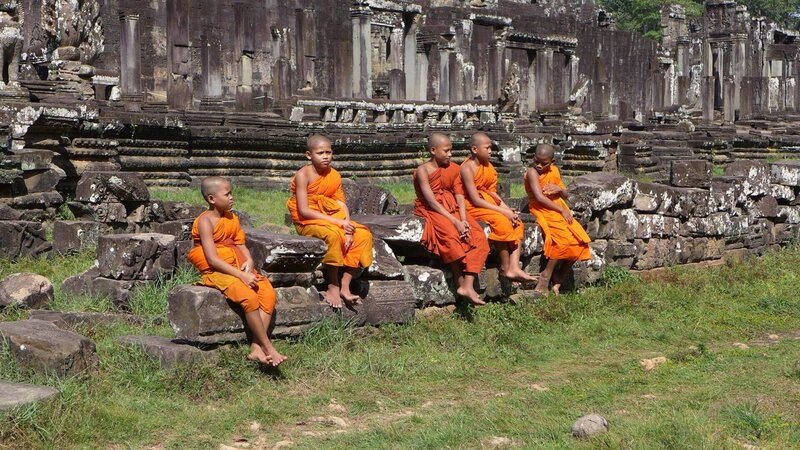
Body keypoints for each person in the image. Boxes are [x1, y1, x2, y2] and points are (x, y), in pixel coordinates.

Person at [187, 176, 287, 366]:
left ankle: (256, 348)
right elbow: (212, 259)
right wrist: (241, 275)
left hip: (238, 265)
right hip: (218, 271)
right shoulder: (205, 222)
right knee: (248, 297)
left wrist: (248, 260)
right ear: (211, 199)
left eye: (231, 193)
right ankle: (268, 346)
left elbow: (240, 244)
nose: (232, 197)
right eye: (227, 194)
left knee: (268, 294)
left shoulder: (232, 217)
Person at [287, 135, 373, 308]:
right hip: (308, 222)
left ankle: (345, 285)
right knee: (334, 236)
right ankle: (333, 284)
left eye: (328, 152)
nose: (325, 156)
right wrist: (338, 224)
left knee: (363, 234)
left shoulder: (333, 175)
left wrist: (347, 225)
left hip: (332, 218)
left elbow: (341, 203)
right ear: (309, 155)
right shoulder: (303, 175)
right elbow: (304, 210)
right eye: (320, 153)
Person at [414, 133, 490, 305]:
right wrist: (454, 222)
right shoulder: (423, 171)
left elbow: (460, 196)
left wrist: (463, 220)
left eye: (451, 151)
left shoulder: (454, 168)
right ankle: (459, 281)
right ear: (433, 150)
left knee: (477, 235)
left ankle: (468, 284)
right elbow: (431, 201)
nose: (450, 155)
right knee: (450, 236)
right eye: (446, 151)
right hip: (432, 210)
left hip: (453, 209)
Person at [461, 132, 535, 284]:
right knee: (501, 222)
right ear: (475, 149)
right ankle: (506, 267)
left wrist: (508, 210)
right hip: (472, 206)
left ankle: (514, 266)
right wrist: (503, 213)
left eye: (491, 148)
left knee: (517, 222)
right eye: (487, 148)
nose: (490, 151)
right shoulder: (467, 168)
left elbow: (493, 194)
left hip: (489, 202)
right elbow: (475, 199)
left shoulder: (488, 166)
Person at [524, 144, 591, 296]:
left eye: (544, 163)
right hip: (542, 208)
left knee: (581, 240)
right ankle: (545, 276)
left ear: (552, 161)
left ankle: (560, 275)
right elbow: (540, 198)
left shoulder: (554, 171)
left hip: (559, 206)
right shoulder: (532, 172)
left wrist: (560, 189)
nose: (539, 165)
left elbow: (565, 195)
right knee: (562, 241)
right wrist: (561, 210)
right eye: (536, 161)